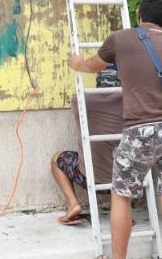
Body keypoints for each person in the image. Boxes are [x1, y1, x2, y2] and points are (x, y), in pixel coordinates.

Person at [67, 0, 162, 259]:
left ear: (138, 16)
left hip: (142, 130)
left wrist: (76, 63)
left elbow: (92, 66)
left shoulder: (121, 39)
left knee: (122, 196)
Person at [51, 65, 122, 225]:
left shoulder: (79, 100)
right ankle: (121, 212)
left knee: (56, 159)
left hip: (89, 177)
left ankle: (73, 205)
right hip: (123, 180)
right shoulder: (130, 103)